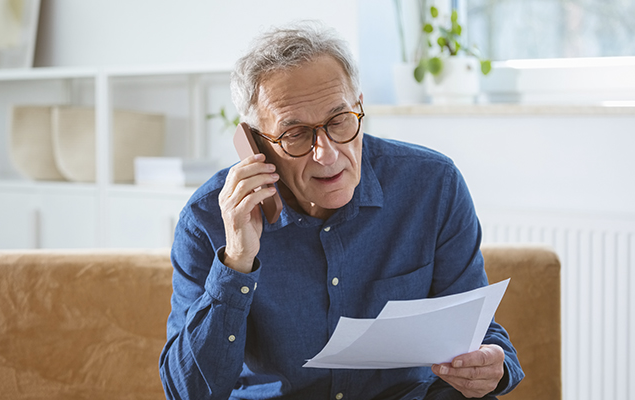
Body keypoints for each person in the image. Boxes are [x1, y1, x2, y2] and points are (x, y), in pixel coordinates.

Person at [158, 21, 523, 400]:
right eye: (294, 133)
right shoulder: (207, 219)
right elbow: (187, 392)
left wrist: (491, 366)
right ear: (256, 144)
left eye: (339, 121)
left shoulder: (433, 186)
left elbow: (477, 335)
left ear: (360, 107)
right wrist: (236, 261)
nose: (327, 154)